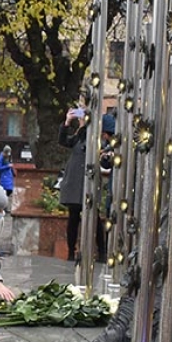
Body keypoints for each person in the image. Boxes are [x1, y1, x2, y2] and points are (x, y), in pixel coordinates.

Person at [58, 107, 105, 262]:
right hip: (75, 181)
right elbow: (63, 141)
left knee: (95, 217)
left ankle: (101, 252)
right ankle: (71, 251)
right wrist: (67, 122)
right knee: (73, 216)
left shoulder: (97, 135)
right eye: (79, 115)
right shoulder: (79, 135)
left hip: (89, 181)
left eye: (82, 115)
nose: (80, 118)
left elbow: (104, 157)